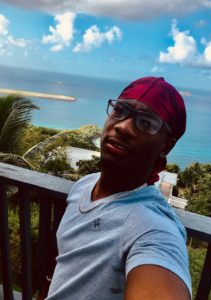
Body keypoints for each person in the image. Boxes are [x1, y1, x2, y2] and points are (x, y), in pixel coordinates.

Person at [46, 77, 192, 299]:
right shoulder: (84, 185)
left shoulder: (153, 228)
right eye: (120, 110)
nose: (123, 126)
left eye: (146, 123)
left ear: (166, 145)